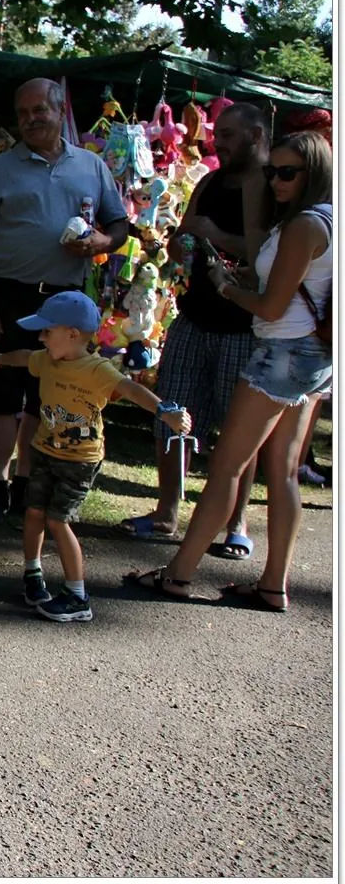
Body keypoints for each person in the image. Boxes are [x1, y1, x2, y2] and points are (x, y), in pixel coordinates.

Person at [128, 131, 333, 612]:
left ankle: (177, 576)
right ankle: (272, 585)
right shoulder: (326, 220)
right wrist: (246, 276)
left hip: (280, 354)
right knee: (281, 473)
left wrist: (224, 285)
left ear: (314, 174)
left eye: (287, 172)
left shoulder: (304, 224)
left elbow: (272, 304)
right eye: (271, 171)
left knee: (225, 467)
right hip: (314, 359)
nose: (275, 181)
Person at [0, 78, 129, 526]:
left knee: (46, 397)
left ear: (60, 111)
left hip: (64, 302)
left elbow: (119, 226)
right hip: (6, 294)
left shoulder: (91, 166)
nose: (30, 119)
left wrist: (100, 241)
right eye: (22, 113)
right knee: (2, 396)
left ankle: (26, 483)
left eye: (39, 110)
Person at [118, 103, 271, 557]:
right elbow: (188, 232)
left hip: (245, 327)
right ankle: (167, 511)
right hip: (193, 318)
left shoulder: (270, 188)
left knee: (239, 430)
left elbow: (269, 256)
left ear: (256, 136)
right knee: (170, 411)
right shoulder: (209, 180)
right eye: (217, 134)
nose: (216, 141)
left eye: (226, 134)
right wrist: (177, 239)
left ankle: (236, 523)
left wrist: (217, 236)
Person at [0, 292, 192, 622]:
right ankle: (33, 575)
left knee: (57, 519)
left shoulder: (97, 369)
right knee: (34, 511)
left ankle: (77, 595)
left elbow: (132, 390)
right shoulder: (47, 360)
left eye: (46, 332)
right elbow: (23, 356)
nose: (41, 338)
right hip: (44, 451)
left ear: (73, 334)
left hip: (79, 461)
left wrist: (165, 411)